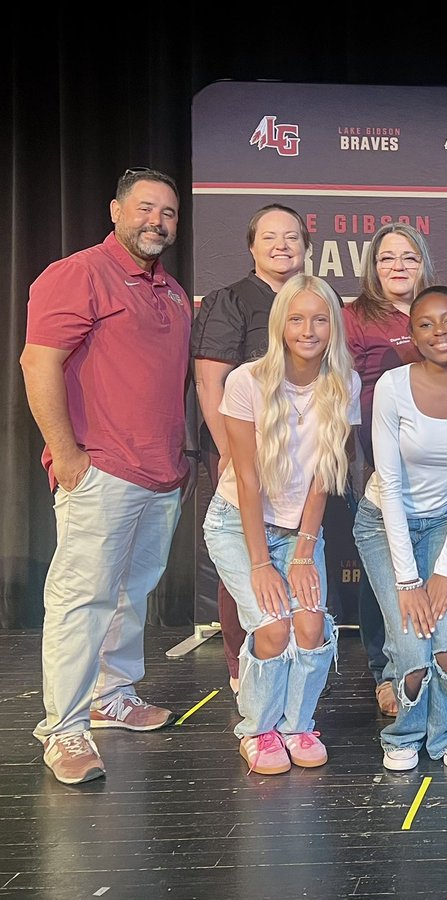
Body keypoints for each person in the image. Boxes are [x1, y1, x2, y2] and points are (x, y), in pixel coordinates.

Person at [21, 166, 195, 785]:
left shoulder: (170, 290)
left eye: (168, 213)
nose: (157, 221)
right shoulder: (78, 274)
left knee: (131, 592)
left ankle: (111, 696)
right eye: (146, 208)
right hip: (101, 468)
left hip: (160, 474)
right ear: (115, 210)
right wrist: (66, 456)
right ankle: (64, 729)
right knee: (81, 598)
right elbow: (38, 363)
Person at [202, 274, 361, 775]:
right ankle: (259, 729)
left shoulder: (344, 382)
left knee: (310, 626)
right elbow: (246, 480)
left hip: (299, 530)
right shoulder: (246, 380)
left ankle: (297, 725)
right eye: (297, 318)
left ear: (333, 325)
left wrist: (300, 551)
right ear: (280, 324)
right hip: (237, 524)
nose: (308, 329)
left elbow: (323, 477)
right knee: (273, 630)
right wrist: (260, 564)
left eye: (319, 319)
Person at [356, 286, 447, 771]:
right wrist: (407, 580)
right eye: (426, 324)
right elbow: (390, 485)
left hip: (446, 524)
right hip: (384, 524)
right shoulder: (392, 387)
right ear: (412, 334)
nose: (440, 332)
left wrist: (446, 570)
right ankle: (404, 734)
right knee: (413, 651)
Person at [193, 203, 311, 694]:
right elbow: (209, 379)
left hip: (300, 461)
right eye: (270, 237)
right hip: (241, 455)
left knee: (293, 565)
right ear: (251, 247)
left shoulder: (315, 301)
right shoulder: (231, 300)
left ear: (307, 248)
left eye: (292, 237)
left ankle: (293, 664)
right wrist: (229, 451)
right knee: (243, 562)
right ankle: (246, 666)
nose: (282, 246)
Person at [344, 223, 436, 717]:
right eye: (387, 258)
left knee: (426, 566)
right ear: (372, 266)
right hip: (379, 457)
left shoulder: (439, 309)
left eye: (408, 257)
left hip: (437, 459)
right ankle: (386, 670)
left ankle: (429, 664)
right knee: (384, 571)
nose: (398, 267)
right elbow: (342, 384)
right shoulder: (354, 316)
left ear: (424, 263)